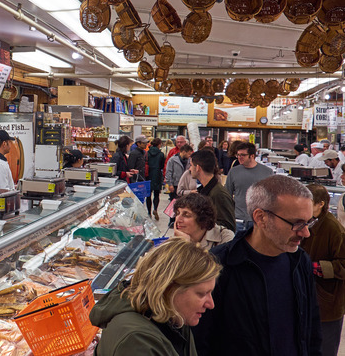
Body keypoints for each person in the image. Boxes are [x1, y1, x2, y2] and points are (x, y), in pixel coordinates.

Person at [193, 175, 322, 356]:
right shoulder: (218, 266)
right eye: (297, 223)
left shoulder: (300, 261)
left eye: (309, 222)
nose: (306, 233)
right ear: (261, 218)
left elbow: (312, 329)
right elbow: (200, 341)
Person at [90, 237, 221, 356]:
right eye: (202, 294)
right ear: (169, 288)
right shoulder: (136, 341)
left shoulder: (175, 318)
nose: (211, 304)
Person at [302, 184, 345, 356]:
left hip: (327, 304)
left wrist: (314, 267)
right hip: (306, 298)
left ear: (320, 204)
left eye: (308, 202)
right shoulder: (305, 222)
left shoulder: (334, 230)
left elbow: (343, 265)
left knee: (325, 350)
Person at [225, 142, 274, 232]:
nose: (239, 157)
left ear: (252, 156)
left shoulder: (267, 172)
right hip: (238, 219)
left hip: (258, 220)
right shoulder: (233, 172)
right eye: (238, 155)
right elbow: (227, 194)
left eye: (243, 155)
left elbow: (271, 197)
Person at [189, 150, 236, 231]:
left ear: (198, 168)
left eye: (191, 165)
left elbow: (228, 227)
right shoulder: (205, 190)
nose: (189, 169)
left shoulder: (218, 194)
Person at [146, 138, 164, 220]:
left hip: (148, 175)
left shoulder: (147, 153)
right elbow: (162, 166)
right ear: (159, 144)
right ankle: (155, 209)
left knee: (148, 195)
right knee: (156, 195)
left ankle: (149, 212)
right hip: (157, 175)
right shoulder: (161, 154)